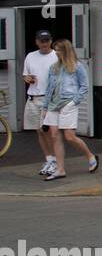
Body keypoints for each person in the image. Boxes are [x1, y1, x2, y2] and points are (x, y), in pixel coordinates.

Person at [40, 39, 97, 180]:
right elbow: (48, 89)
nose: (56, 52)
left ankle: (90, 156)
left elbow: (84, 86)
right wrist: (45, 107)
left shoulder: (77, 66)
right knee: (54, 136)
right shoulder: (53, 68)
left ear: (66, 50)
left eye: (59, 50)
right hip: (54, 104)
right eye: (56, 50)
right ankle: (60, 169)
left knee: (69, 136)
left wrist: (74, 102)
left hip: (68, 103)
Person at [22, 29, 59, 177]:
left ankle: (56, 160)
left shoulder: (56, 55)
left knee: (49, 131)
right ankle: (49, 158)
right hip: (33, 96)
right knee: (38, 130)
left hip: (49, 98)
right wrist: (27, 79)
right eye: (41, 41)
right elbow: (25, 74)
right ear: (36, 41)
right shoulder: (30, 56)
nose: (44, 43)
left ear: (51, 41)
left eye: (47, 40)